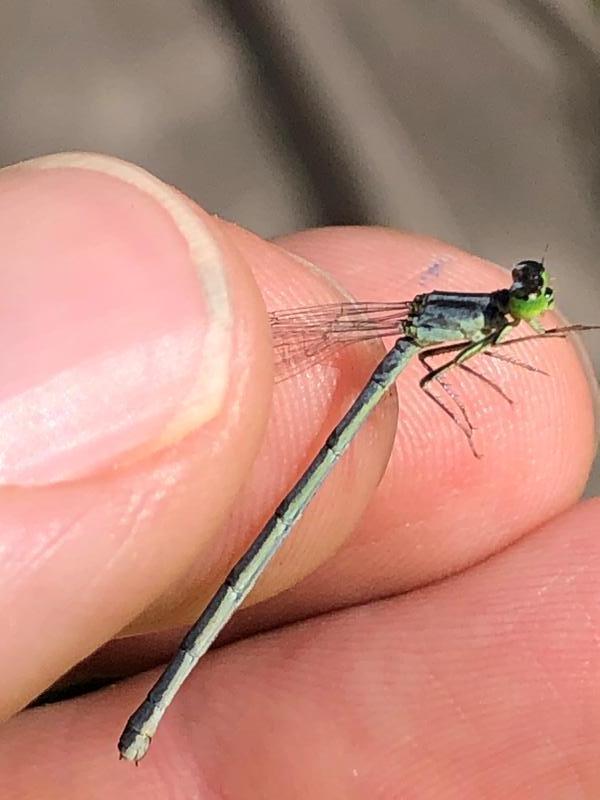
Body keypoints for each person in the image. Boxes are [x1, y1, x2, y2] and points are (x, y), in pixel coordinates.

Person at [0, 152, 598, 797]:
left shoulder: (492, 317)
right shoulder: (486, 320)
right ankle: (145, 723)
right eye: (529, 297)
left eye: (536, 299)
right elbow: (438, 370)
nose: (535, 305)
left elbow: (451, 361)